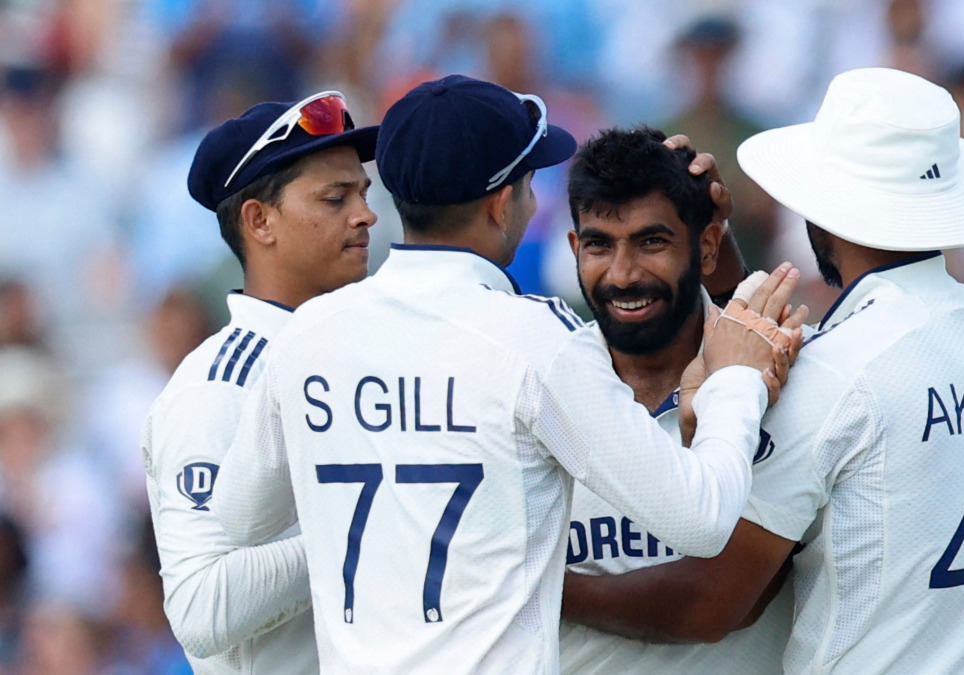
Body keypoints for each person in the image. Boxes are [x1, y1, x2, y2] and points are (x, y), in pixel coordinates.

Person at [209, 74, 803, 674]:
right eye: (528, 185)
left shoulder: (308, 334)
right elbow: (701, 519)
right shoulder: (534, 339)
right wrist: (734, 378)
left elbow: (238, 519)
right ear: (501, 203)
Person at [562, 67, 964, 674]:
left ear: (824, 206)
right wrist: (710, 250)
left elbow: (708, 605)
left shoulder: (832, 373)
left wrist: (538, 582)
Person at [141, 90, 378, 673]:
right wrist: (370, 522)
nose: (365, 215)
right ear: (259, 221)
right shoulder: (219, 387)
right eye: (335, 198)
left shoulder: (366, 351)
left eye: (363, 194)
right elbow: (201, 609)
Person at [558, 126, 796, 674]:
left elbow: (715, 602)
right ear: (574, 247)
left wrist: (529, 583)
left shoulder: (776, 380)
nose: (623, 275)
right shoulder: (539, 385)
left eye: (652, 242)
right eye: (599, 244)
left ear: (707, 246)